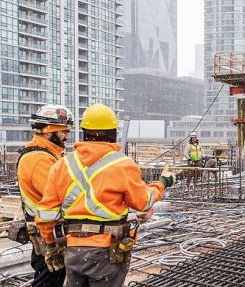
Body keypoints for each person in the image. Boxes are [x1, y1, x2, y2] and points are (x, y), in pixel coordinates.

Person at [35, 103, 175, 287]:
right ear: (113, 133)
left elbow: (46, 213)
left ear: (84, 133)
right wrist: (163, 182)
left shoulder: (62, 165)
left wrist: (50, 245)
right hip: (107, 252)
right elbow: (143, 202)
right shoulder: (123, 165)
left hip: (73, 250)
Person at [17, 104, 73, 287]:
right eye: (63, 131)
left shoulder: (49, 154)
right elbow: (62, 195)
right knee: (48, 280)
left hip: (49, 231)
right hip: (46, 234)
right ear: (49, 131)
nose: (67, 135)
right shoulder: (39, 159)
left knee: (53, 278)